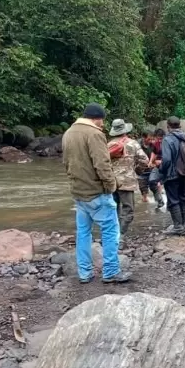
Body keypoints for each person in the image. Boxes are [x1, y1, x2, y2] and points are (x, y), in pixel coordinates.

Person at [61, 103, 130, 283]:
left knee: (83, 233)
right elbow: (102, 164)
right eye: (102, 121)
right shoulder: (94, 134)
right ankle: (111, 272)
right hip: (97, 192)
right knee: (110, 231)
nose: (102, 124)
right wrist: (111, 186)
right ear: (97, 118)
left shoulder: (68, 133)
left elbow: (65, 162)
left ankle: (84, 273)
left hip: (78, 192)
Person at [107, 119, 149, 235]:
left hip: (111, 182)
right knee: (128, 210)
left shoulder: (109, 145)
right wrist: (137, 169)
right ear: (125, 130)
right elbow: (145, 160)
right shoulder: (133, 143)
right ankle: (120, 235)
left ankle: (112, 235)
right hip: (127, 182)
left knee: (113, 209)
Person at [159, 116, 185, 235]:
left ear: (168, 126)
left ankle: (178, 227)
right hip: (184, 172)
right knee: (183, 197)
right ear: (179, 125)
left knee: (173, 200)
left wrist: (161, 170)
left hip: (172, 174)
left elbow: (166, 159)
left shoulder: (167, 139)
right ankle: (183, 225)